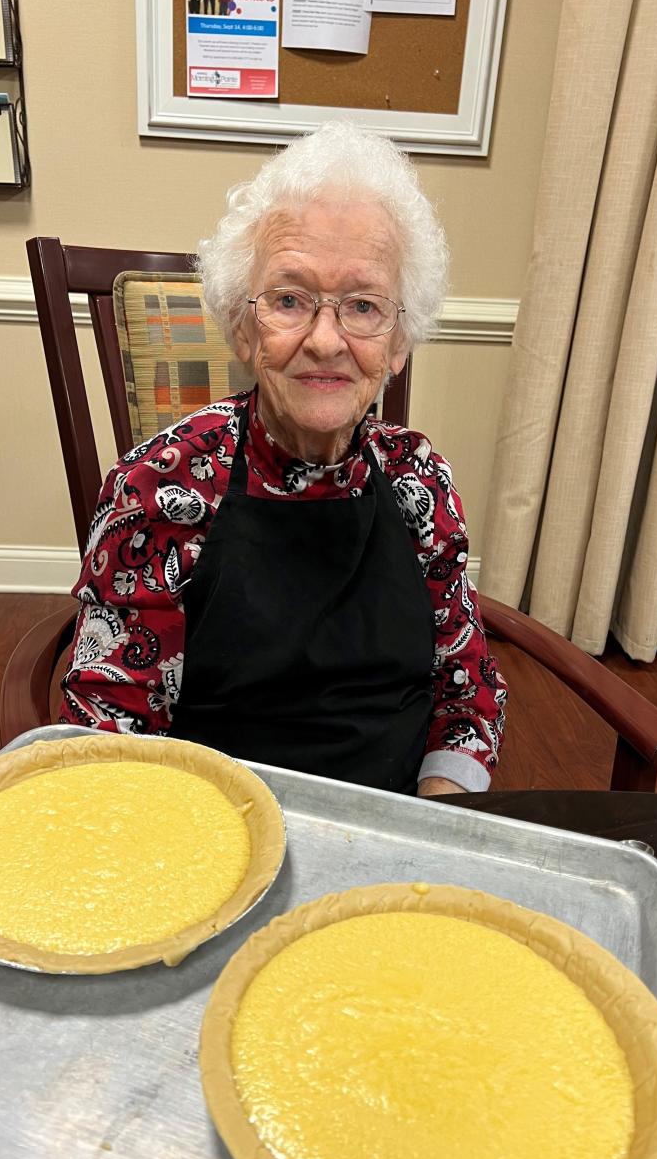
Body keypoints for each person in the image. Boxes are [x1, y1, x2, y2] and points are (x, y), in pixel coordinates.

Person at [60, 122, 506, 796]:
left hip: (409, 829)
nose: (325, 340)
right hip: (213, 843)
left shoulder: (420, 482)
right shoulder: (163, 486)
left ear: (398, 342)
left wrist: (438, 825)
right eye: (291, 299)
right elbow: (107, 735)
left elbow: (465, 693)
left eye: (362, 306)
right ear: (244, 326)